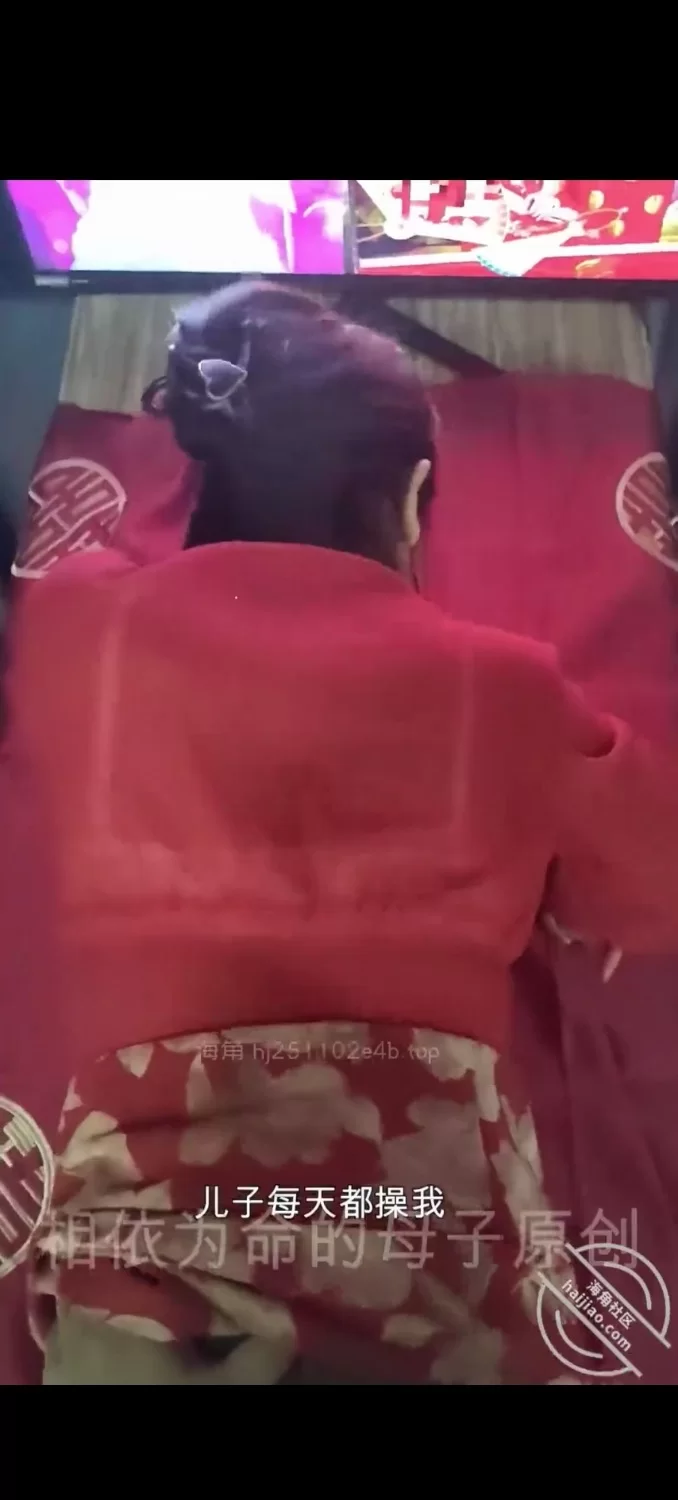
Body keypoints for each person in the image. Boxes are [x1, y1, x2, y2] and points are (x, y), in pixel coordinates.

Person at [10, 281, 678, 1385]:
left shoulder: (75, 632)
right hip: (426, 1284)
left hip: (145, 1302)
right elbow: (651, 882)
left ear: (202, 482)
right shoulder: (501, 691)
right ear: (414, 500)